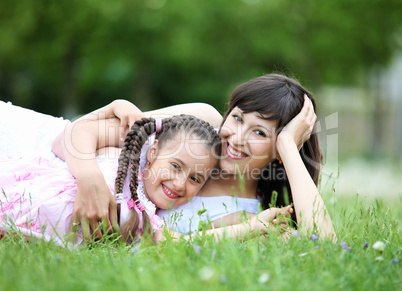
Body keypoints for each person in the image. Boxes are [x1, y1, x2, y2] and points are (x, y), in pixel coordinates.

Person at [55, 73, 336, 241]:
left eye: (260, 133)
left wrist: (287, 146)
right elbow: (72, 136)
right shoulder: (197, 130)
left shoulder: (256, 217)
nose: (235, 138)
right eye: (237, 118)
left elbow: (323, 244)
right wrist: (88, 177)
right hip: (43, 160)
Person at [0, 114, 223, 245]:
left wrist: (254, 225)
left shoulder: (147, 220)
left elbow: (177, 243)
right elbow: (66, 141)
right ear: (153, 152)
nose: (179, 183)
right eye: (175, 166)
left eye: (195, 178)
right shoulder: (118, 159)